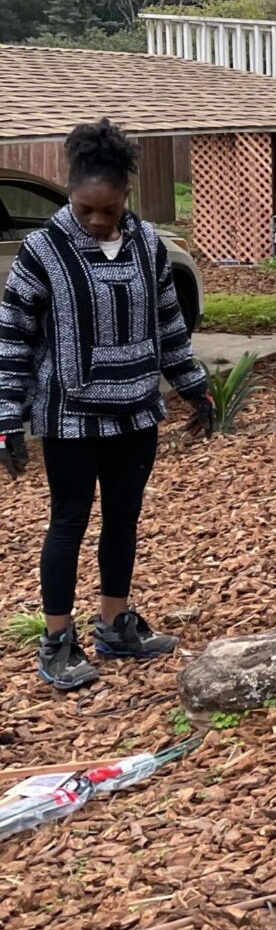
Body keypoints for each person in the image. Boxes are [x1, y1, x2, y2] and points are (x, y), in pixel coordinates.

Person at [0, 119, 213, 692]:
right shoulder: (42, 251)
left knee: (123, 518)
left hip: (136, 410)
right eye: (86, 209)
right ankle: (57, 640)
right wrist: (7, 421)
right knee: (69, 520)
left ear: (125, 198)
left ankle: (116, 625)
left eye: (109, 210)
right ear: (71, 194)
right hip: (68, 416)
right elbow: (14, 336)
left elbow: (169, 324)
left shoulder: (146, 243)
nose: (98, 221)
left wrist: (193, 386)